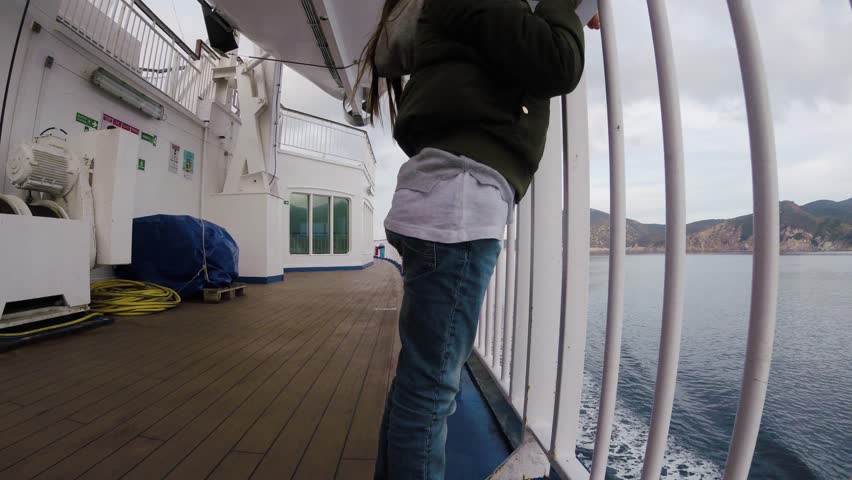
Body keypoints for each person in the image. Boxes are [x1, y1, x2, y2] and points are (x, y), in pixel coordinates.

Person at [357, 1, 597, 478]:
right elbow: (558, 61)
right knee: (430, 390)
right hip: (459, 203)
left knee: (419, 381)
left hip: (445, 199)